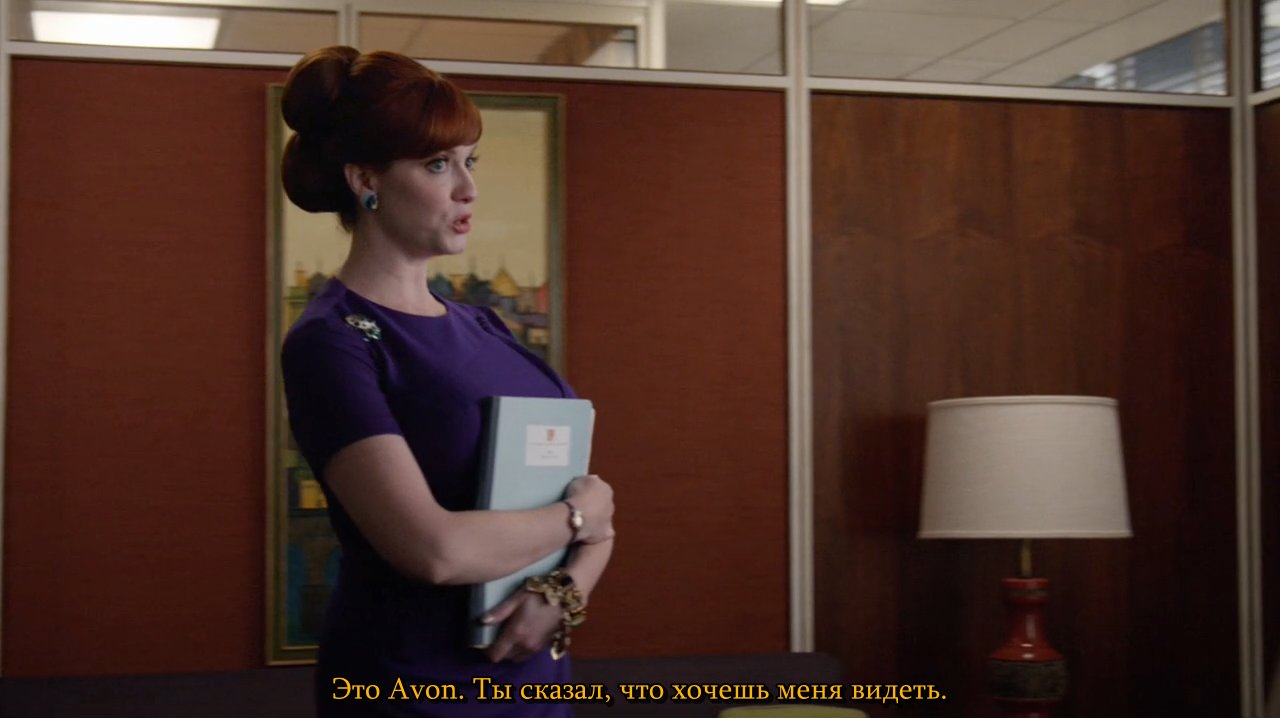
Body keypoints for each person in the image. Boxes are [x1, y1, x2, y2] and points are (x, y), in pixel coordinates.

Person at [278, 46, 616, 717]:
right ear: (364, 179)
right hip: (411, 688)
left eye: (470, 161)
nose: (468, 188)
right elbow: (432, 549)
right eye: (438, 164)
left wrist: (565, 588)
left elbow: (593, 521)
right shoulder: (332, 340)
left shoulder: (484, 325)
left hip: (531, 685)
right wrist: (580, 516)